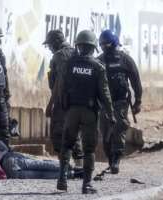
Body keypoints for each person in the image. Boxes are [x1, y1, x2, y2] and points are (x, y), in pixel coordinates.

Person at [57, 30, 116, 194]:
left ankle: (62, 179)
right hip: (89, 113)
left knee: (67, 144)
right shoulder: (98, 67)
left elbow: (61, 87)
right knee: (89, 149)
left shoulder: (68, 64)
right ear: (93, 47)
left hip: (72, 111)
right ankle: (87, 185)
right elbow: (105, 93)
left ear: (78, 45)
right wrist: (110, 114)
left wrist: (64, 107)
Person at [97, 30, 142, 174]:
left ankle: (116, 160)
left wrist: (138, 101)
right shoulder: (99, 60)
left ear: (114, 43)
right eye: (102, 45)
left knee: (119, 129)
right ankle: (110, 159)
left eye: (107, 44)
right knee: (105, 135)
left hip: (121, 102)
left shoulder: (125, 60)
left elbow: (136, 80)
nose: (105, 47)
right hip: (104, 104)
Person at [43, 30, 83, 170]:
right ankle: (79, 165)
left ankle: (64, 167)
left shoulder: (59, 56)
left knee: (58, 133)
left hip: (63, 101)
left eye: (49, 45)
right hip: (78, 101)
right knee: (75, 131)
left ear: (55, 43)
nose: (49, 48)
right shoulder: (76, 52)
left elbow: (58, 83)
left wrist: (50, 104)